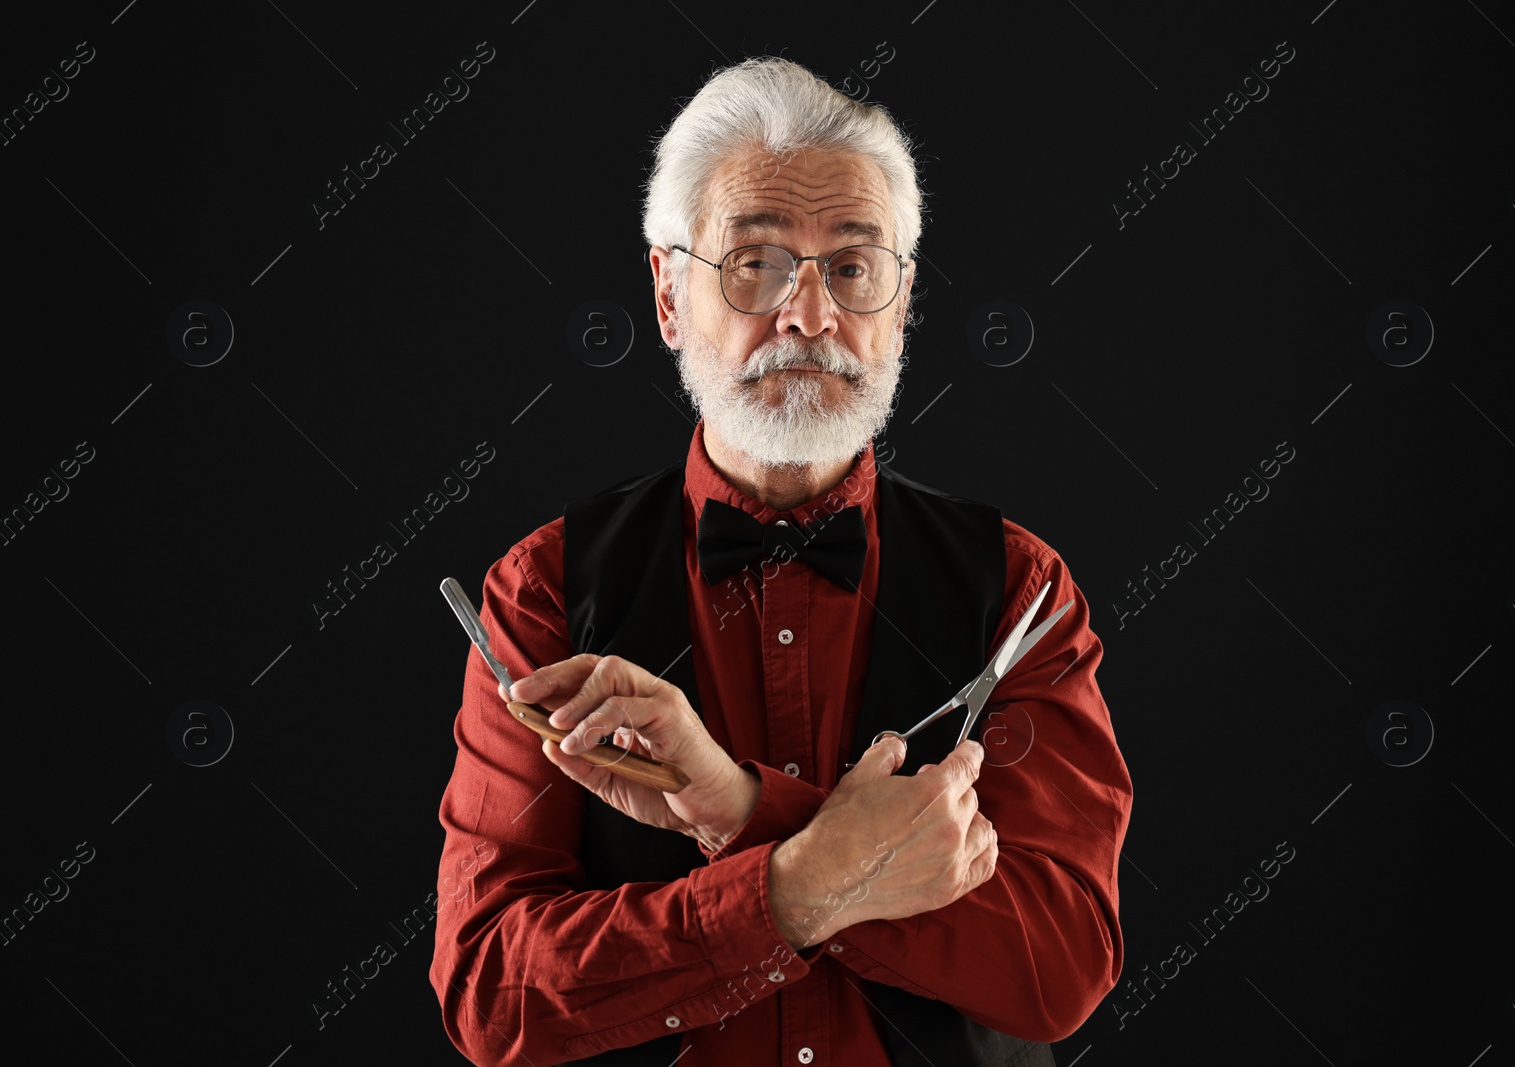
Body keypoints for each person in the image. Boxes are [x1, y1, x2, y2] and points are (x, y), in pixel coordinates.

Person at [429, 56, 1133, 1066]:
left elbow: (1057, 965)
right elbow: (492, 989)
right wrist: (796, 886)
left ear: (901, 304)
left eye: (851, 267)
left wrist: (745, 809)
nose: (809, 315)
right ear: (669, 294)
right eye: (754, 264)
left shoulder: (1020, 590)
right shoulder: (542, 588)